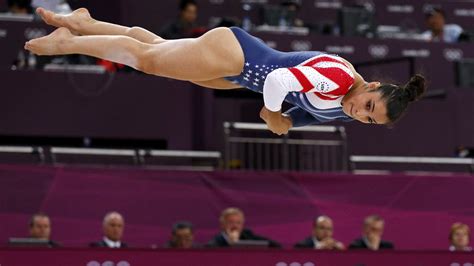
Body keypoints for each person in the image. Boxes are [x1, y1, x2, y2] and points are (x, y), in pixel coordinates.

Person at [25, 7, 426, 135]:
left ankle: (84, 23)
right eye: (369, 104)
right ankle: (67, 44)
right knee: (147, 61)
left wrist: (288, 121)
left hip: (233, 74)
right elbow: (279, 81)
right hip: (238, 57)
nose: (361, 113)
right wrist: (272, 115)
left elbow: (304, 111)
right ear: (372, 85)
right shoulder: (338, 76)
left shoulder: (346, 104)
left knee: (155, 49)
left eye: (369, 119)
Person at [206, 207, 281, 248]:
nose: (235, 226)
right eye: (231, 222)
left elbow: (275, 245)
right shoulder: (215, 243)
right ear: (222, 225)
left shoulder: (248, 235)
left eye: (238, 223)